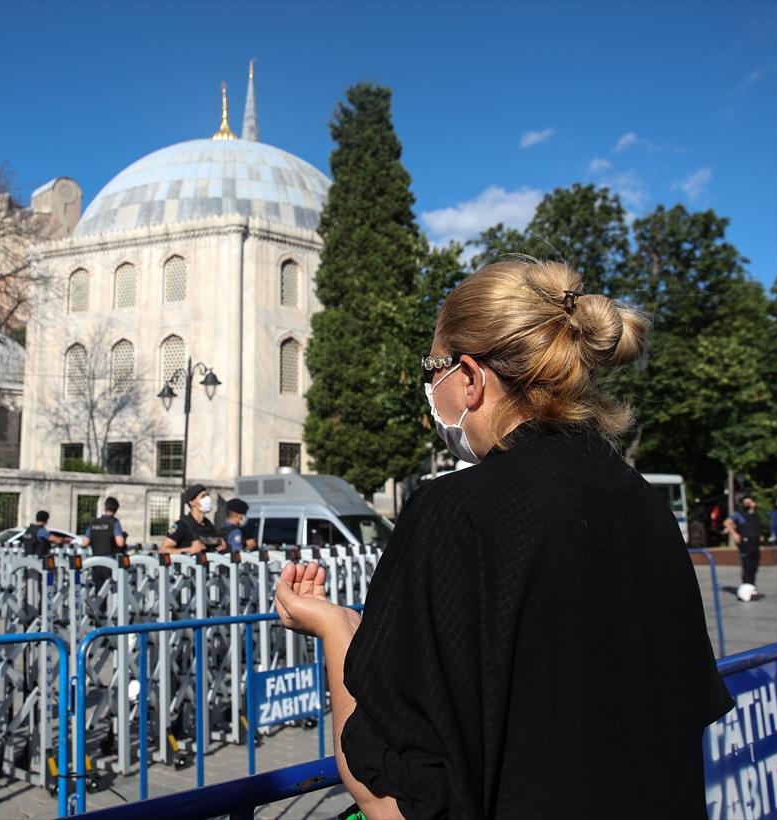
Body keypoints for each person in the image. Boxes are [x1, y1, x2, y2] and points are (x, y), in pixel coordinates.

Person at [273, 258, 731, 820]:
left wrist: (334, 628)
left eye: (431, 368)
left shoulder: (456, 513)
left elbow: (393, 791)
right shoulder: (641, 501)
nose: (429, 389)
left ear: (469, 376)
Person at [80, 497, 126, 590]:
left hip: (96, 562)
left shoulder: (94, 522)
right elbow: (120, 543)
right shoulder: (114, 522)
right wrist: (124, 536)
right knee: (112, 592)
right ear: (116, 510)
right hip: (110, 563)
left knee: (99, 591)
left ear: (105, 508)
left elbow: (84, 543)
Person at [160, 484, 222, 555]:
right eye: (203, 496)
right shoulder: (181, 525)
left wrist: (219, 544)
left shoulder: (208, 525)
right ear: (192, 502)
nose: (207, 499)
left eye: (207, 495)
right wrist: (189, 550)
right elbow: (163, 550)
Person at [724, 494, 764, 602]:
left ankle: (751, 588)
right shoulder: (739, 514)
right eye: (745, 502)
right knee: (748, 566)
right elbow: (727, 523)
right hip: (745, 543)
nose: (748, 504)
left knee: (754, 566)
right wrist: (735, 534)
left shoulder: (756, 514)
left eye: (749, 502)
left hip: (755, 543)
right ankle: (746, 591)